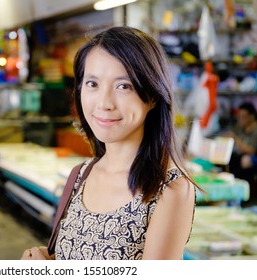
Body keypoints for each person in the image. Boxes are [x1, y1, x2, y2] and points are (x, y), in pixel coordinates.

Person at [21, 26, 197, 260]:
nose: (104, 103)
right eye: (92, 84)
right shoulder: (80, 175)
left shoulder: (169, 189)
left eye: (123, 86)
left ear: (153, 95)